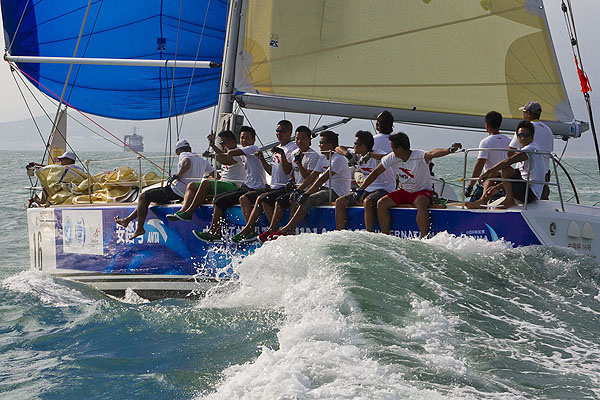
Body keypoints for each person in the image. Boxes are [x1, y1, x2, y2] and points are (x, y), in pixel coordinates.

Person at [358, 132, 462, 238]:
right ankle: (386, 236)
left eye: (393, 147)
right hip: (405, 191)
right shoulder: (392, 157)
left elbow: (433, 153)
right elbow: (376, 172)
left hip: (422, 191)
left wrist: (449, 150)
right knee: (381, 203)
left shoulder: (419, 156)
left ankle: (424, 237)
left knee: (421, 202)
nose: (391, 150)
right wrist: (361, 189)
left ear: (401, 149)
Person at [115, 139, 210, 239]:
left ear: (178, 151)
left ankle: (139, 228)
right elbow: (213, 174)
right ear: (190, 148)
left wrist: (178, 175)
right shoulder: (202, 160)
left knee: (143, 196)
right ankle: (127, 220)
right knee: (149, 198)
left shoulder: (184, 154)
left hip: (176, 191)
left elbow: (187, 162)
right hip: (189, 193)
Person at [271, 130, 351, 238]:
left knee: (309, 199)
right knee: (296, 197)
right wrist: (299, 190)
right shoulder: (323, 158)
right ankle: (291, 230)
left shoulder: (338, 159)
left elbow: (322, 179)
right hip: (326, 189)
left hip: (337, 192)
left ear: (330, 145)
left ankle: (288, 228)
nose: (319, 145)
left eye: (322, 143)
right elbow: (312, 177)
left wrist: (307, 193)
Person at [193, 126, 267, 242]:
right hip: (247, 186)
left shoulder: (252, 149)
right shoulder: (245, 152)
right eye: (242, 138)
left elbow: (230, 154)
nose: (244, 141)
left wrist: (215, 152)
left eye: (247, 138)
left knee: (240, 199)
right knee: (217, 199)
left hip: (256, 187)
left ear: (253, 140)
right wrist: (215, 147)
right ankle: (215, 232)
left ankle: (249, 231)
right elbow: (226, 156)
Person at [231, 120, 298, 242]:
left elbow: (288, 170)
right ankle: (251, 229)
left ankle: (267, 229)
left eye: (282, 131)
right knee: (247, 198)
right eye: (277, 131)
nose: (279, 133)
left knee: (263, 199)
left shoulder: (292, 148)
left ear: (289, 132)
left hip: (284, 187)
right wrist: (262, 159)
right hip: (273, 186)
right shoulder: (277, 148)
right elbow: (271, 171)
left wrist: (282, 155)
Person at [256, 126, 320, 242]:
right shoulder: (295, 153)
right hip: (295, 187)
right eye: (297, 139)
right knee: (273, 200)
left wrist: (300, 164)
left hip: (307, 189)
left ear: (309, 139)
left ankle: (290, 230)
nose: (299, 142)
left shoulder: (313, 155)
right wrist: (291, 180)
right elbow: (292, 172)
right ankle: (273, 228)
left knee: (294, 199)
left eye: (302, 139)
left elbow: (309, 177)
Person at [165, 130, 244, 221]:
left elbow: (226, 160)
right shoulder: (226, 153)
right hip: (223, 183)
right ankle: (182, 211)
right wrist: (212, 145)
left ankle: (189, 213)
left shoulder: (237, 154)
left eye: (222, 143)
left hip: (233, 186)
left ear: (232, 142)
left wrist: (211, 154)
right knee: (192, 185)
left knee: (205, 184)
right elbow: (223, 157)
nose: (221, 145)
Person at [467, 121, 545, 209]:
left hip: (531, 193)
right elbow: (517, 176)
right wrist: (497, 187)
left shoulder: (532, 148)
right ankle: (482, 201)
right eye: (520, 135)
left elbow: (509, 161)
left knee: (506, 169)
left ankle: (509, 200)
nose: (523, 138)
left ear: (532, 136)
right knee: (495, 174)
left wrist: (486, 173)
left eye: (526, 135)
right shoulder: (522, 149)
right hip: (524, 187)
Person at [334, 130, 396, 231]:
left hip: (384, 187)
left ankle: (369, 233)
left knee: (368, 202)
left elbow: (387, 157)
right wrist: (348, 155)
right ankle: (340, 231)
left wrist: (370, 155)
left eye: (355, 144)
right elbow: (337, 148)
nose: (353, 146)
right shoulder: (356, 153)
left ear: (363, 146)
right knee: (340, 202)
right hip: (368, 188)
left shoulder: (377, 153)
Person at [509, 101, 553, 199]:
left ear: (528, 113)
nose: (523, 115)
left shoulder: (525, 129)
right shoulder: (548, 130)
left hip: (526, 175)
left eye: (524, 112)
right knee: (542, 202)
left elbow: (510, 152)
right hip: (544, 175)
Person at [465, 111, 511, 200]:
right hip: (504, 185)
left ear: (486, 125)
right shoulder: (509, 141)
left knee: (473, 202)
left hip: (489, 184)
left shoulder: (485, 142)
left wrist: (470, 186)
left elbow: (480, 165)